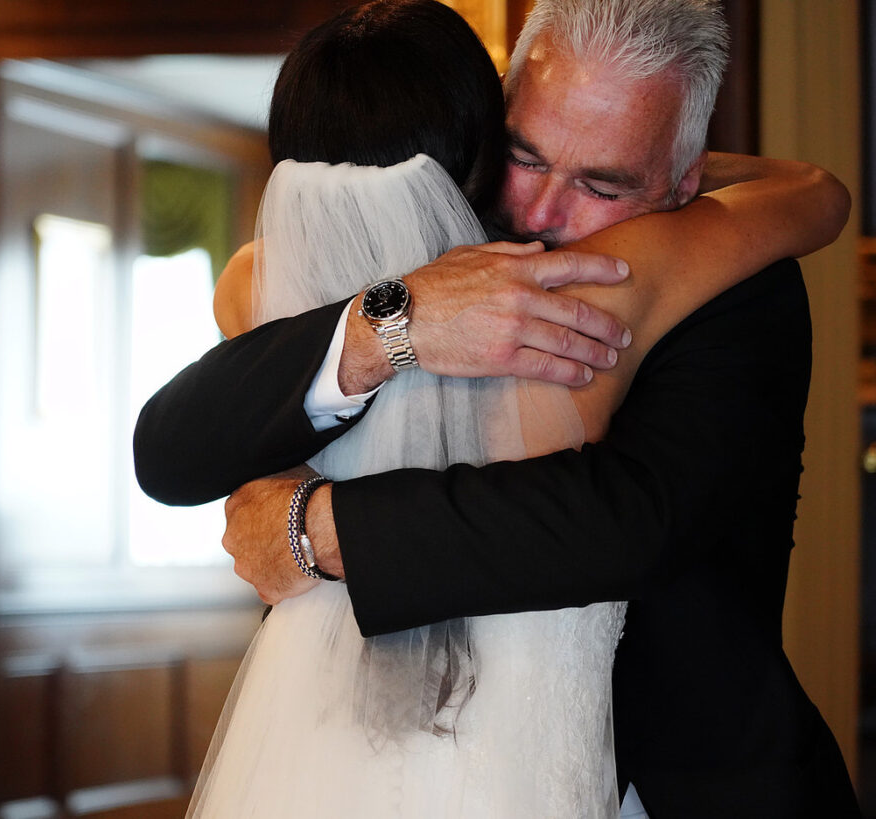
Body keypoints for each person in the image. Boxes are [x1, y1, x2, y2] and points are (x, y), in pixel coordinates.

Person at [135, 0, 858, 816]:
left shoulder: (735, 279)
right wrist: (389, 326)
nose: (544, 213)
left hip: (693, 783)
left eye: (602, 182)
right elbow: (169, 448)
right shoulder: (400, 263)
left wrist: (316, 526)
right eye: (524, 154)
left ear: (683, 183)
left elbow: (631, 521)